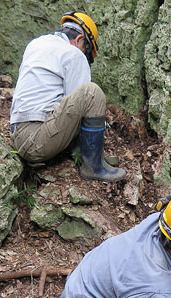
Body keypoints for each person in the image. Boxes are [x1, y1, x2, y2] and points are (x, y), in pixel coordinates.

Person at [10, 11, 126, 182]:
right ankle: (94, 166)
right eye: (87, 51)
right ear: (79, 40)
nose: (85, 56)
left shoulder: (37, 44)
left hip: (18, 134)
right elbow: (81, 109)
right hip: (36, 141)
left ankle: (93, 158)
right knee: (91, 93)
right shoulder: (73, 54)